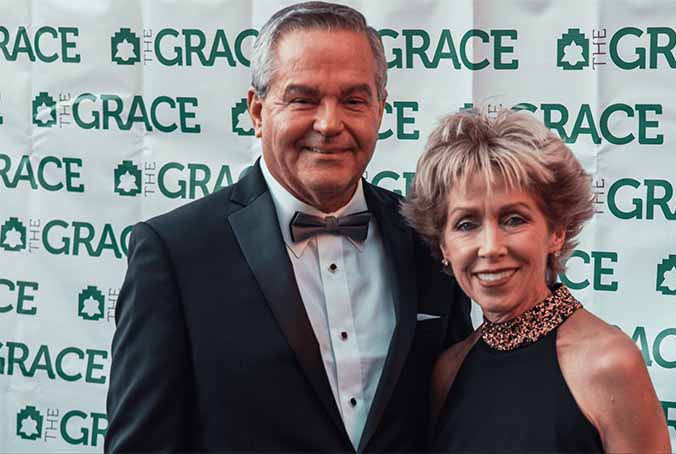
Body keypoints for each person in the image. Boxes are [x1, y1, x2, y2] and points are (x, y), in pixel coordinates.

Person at [105, 2, 471, 452]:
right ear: (258, 111)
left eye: (354, 100)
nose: (329, 123)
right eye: (304, 99)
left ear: (380, 110)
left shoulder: (430, 236)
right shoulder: (174, 252)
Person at [401, 108, 671, 452]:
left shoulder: (608, 363)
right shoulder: (448, 371)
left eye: (513, 219)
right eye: (466, 224)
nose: (491, 247)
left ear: (556, 231)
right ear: (443, 246)